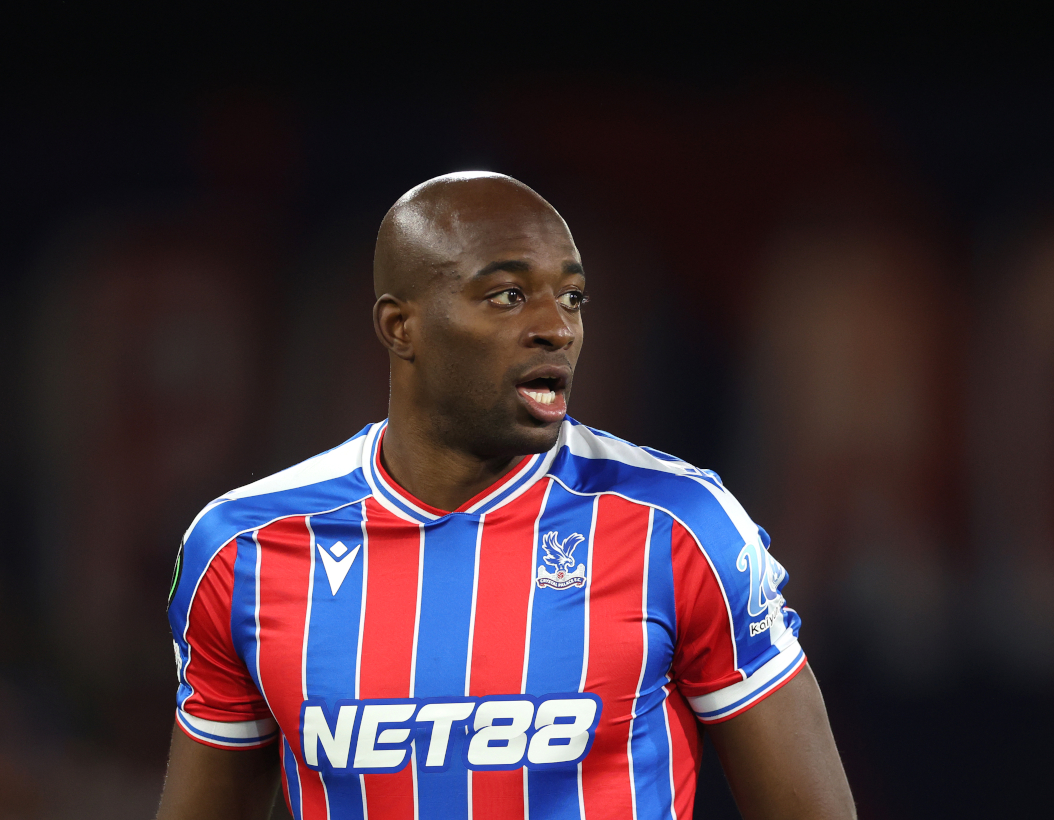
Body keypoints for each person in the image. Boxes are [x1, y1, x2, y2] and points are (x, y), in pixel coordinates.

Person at [156, 172, 856, 820]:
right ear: (402, 327)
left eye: (573, 296)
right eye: (508, 296)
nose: (558, 326)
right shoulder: (245, 549)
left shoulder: (676, 527)